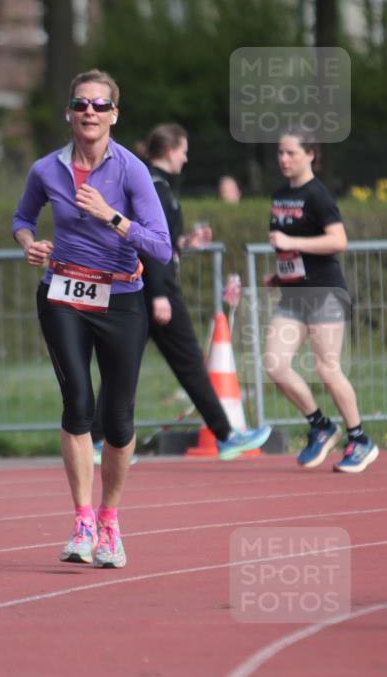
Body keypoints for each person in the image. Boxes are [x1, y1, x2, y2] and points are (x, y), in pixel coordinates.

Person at [12, 69, 171, 568]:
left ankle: (109, 520)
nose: (90, 112)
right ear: (69, 112)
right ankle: (81, 519)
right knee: (78, 403)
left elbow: (162, 247)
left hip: (122, 297)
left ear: (113, 116)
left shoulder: (131, 171)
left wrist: (112, 216)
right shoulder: (46, 170)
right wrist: (29, 244)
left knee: (118, 418)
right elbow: (21, 219)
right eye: (82, 104)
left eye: (100, 106)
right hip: (62, 292)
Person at [92, 123, 270, 462]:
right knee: (186, 363)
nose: (186, 158)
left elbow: (160, 243)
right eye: (184, 151)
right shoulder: (156, 187)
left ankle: (100, 440)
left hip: (148, 288)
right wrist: (158, 293)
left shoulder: (160, 187)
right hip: (153, 290)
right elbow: (144, 243)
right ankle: (225, 435)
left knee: (125, 365)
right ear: (171, 151)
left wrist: (184, 243)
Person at [263, 130, 378, 473]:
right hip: (294, 293)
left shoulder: (317, 195)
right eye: (280, 153)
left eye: (292, 153)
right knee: (274, 364)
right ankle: (320, 425)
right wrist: (281, 274)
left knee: (327, 368)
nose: (284, 159)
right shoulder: (281, 194)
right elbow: (291, 248)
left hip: (325, 292)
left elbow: (337, 240)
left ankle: (359, 438)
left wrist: (289, 241)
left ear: (311, 154)